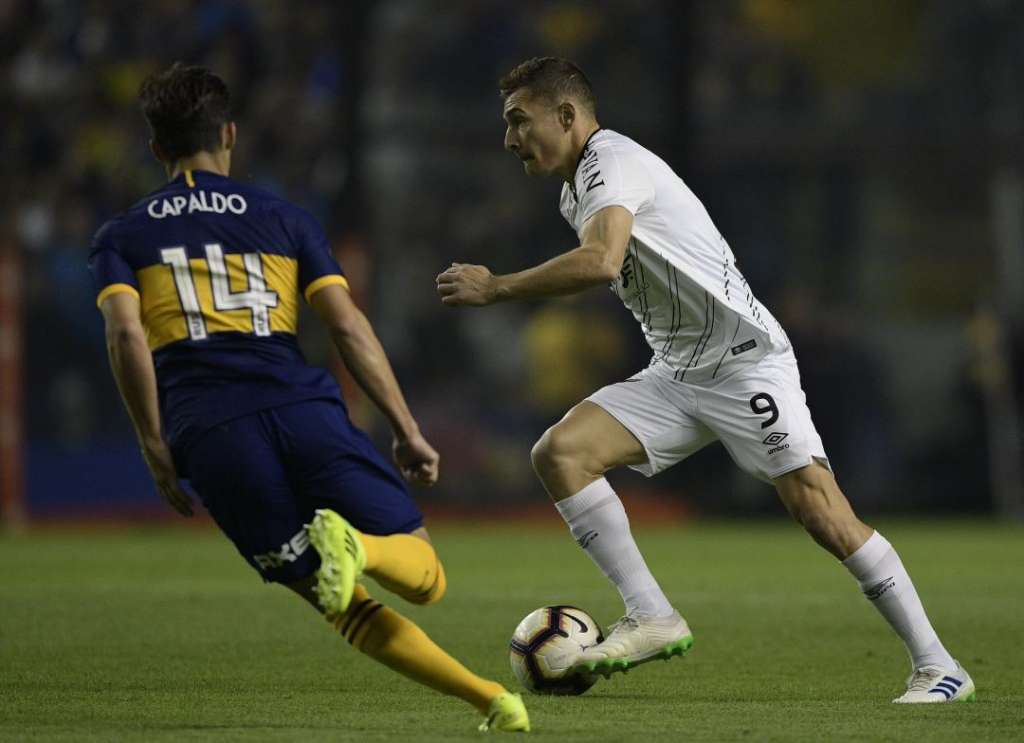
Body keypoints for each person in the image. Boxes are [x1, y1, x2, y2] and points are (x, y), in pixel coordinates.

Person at [436, 56, 973, 704]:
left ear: (568, 115)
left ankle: (940, 665)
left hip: (744, 359)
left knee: (820, 511)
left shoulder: (611, 159)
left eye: (520, 121)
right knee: (560, 453)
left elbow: (602, 262)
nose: (509, 138)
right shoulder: (573, 189)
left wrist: (497, 286)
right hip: (679, 371)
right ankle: (652, 614)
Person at [89, 62, 529, 732]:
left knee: (336, 600)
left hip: (210, 432)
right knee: (427, 573)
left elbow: (125, 333)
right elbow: (346, 324)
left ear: (156, 149)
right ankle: (364, 544)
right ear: (229, 134)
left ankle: (490, 698)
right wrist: (405, 425)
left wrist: (153, 443)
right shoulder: (283, 218)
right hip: (303, 407)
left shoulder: (123, 235)